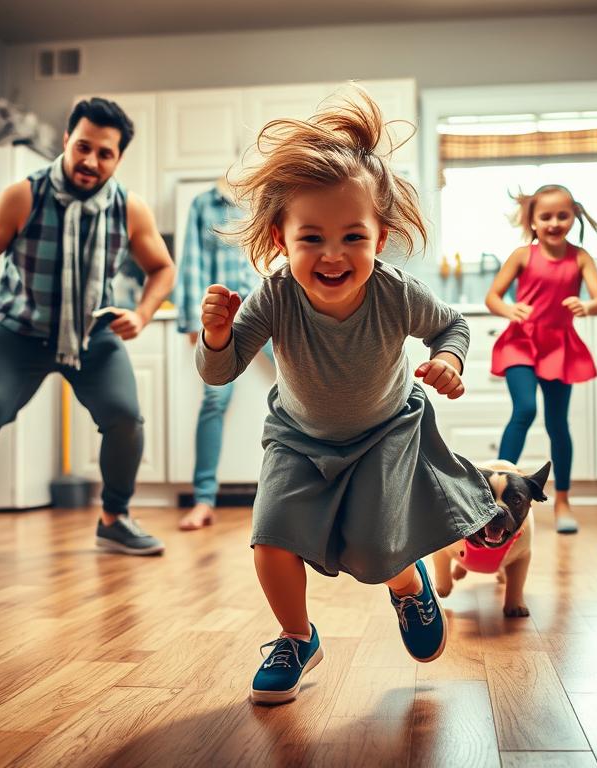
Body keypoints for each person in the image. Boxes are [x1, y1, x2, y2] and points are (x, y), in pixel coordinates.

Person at [197, 90, 496, 705]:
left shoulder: (394, 292)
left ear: (380, 237)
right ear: (281, 239)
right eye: (312, 238)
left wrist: (446, 357)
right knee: (271, 539)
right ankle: (296, 637)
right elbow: (219, 372)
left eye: (352, 237)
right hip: (297, 438)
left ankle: (408, 587)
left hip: (383, 433)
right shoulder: (275, 297)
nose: (333, 255)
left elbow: (454, 325)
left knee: (377, 546)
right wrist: (216, 335)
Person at [0, 98, 177, 586]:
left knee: (126, 418)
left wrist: (143, 313)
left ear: (118, 159)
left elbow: (162, 268)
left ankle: (114, 521)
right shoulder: (23, 196)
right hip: (19, 334)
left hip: (93, 335)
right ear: (66, 141)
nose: (90, 161)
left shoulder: (129, 208)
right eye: (83, 147)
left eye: (104, 153)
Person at [485, 184, 597, 535]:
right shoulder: (522, 255)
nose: (554, 222)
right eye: (546, 216)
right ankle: (496, 491)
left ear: (574, 216)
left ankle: (564, 502)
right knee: (524, 410)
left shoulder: (580, 257)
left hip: (559, 347)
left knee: (558, 424)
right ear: (533, 221)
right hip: (522, 343)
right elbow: (493, 296)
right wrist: (509, 308)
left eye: (562, 215)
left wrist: (588, 305)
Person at [172, 178, 270, 530]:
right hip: (224, 317)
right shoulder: (205, 204)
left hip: (269, 308)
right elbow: (192, 260)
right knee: (214, 401)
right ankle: (203, 501)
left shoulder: (267, 196)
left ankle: (333, 491)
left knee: (308, 388)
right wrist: (192, 319)